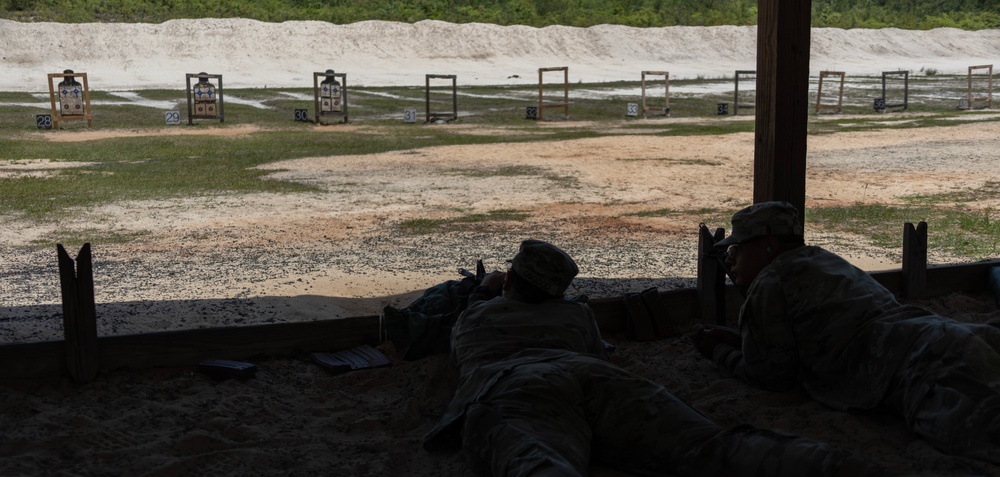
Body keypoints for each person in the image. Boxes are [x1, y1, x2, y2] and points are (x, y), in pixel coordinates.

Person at [424, 238, 881, 476]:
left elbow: (466, 332)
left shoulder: (475, 321)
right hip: (596, 377)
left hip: (514, 386)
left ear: (509, 285)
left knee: (537, 462)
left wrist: (483, 290)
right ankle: (835, 466)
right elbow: (586, 343)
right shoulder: (578, 317)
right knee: (712, 448)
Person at [692, 201, 1000, 464]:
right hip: (947, 334)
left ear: (769, 246)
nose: (729, 259)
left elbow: (771, 377)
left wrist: (718, 353)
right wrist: (739, 340)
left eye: (736, 248)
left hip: (922, 371)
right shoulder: (824, 260)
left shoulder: (770, 283)